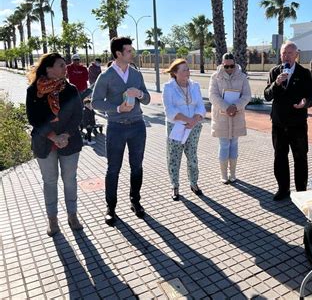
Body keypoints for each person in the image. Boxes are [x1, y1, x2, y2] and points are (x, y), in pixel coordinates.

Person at [92, 37, 150, 225]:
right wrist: (117, 108)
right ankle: (111, 208)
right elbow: (95, 102)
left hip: (137, 126)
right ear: (118, 54)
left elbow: (147, 98)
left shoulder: (136, 74)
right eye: (128, 51)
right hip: (116, 127)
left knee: (137, 166)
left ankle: (135, 201)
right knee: (113, 169)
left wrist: (140, 94)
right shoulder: (106, 76)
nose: (132, 53)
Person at [26, 53, 84, 236]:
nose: (65, 67)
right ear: (48, 68)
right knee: (50, 182)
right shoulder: (33, 90)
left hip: (69, 141)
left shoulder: (71, 89)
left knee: (70, 180)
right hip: (45, 143)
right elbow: (34, 118)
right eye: (60, 65)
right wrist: (53, 137)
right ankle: (52, 219)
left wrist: (65, 135)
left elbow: (78, 116)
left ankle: (72, 215)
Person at [264, 41, 312, 201]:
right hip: (279, 124)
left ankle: (301, 192)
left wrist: (305, 103)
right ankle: (283, 189)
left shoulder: (304, 73)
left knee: (300, 157)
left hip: (298, 124)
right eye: (283, 53)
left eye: (289, 53)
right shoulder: (275, 72)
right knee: (280, 156)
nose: (286, 56)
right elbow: (267, 95)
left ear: (296, 55)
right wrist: (276, 83)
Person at [162, 58, 206, 201]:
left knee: (192, 156)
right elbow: (170, 111)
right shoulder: (168, 87)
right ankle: (175, 186)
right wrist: (188, 120)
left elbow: (201, 106)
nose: (188, 72)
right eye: (184, 69)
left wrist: (194, 120)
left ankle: (194, 183)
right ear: (175, 73)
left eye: (188, 69)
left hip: (194, 127)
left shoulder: (195, 86)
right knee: (174, 157)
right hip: (176, 127)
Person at [209, 53, 251, 184]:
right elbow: (213, 96)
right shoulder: (215, 77)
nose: (229, 69)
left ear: (235, 64)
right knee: (224, 145)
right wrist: (227, 107)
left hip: (237, 116)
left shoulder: (243, 77)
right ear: (222, 64)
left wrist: (235, 106)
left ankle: (233, 174)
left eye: (231, 66)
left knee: (234, 144)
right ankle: (223, 175)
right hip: (221, 117)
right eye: (226, 66)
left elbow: (247, 96)